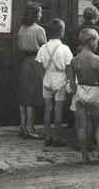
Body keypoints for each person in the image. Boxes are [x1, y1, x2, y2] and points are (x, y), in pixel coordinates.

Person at [70, 29, 99, 165]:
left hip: (81, 89)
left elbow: (72, 82)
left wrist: (77, 91)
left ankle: (84, 156)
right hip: (94, 89)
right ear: (91, 42)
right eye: (97, 42)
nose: (97, 45)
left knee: (81, 126)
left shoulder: (74, 60)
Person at [36, 19, 73, 147]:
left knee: (47, 109)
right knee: (58, 110)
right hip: (60, 78)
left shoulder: (43, 48)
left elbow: (40, 67)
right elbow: (69, 68)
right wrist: (70, 82)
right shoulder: (65, 49)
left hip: (47, 77)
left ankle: (47, 136)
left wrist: (43, 79)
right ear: (62, 32)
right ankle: (57, 137)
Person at [17, 2, 47, 140]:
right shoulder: (39, 30)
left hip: (25, 62)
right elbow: (45, 48)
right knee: (33, 96)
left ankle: (22, 127)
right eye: (39, 12)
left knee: (24, 96)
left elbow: (19, 45)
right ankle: (30, 128)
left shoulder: (21, 29)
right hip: (36, 62)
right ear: (35, 14)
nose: (41, 14)